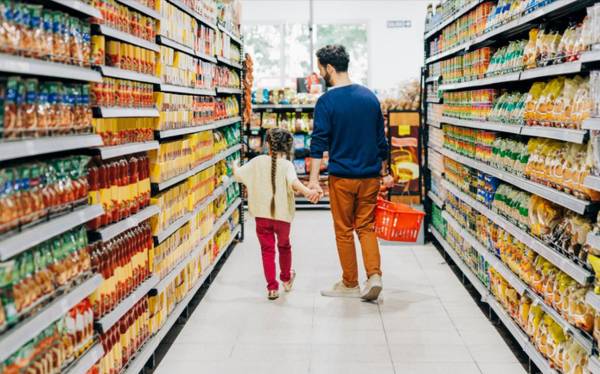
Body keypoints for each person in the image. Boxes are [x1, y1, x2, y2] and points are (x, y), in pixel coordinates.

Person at [308, 44, 394, 301]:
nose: (320, 73)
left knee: (344, 229)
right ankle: (374, 276)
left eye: (321, 68)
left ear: (330, 68)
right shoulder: (369, 97)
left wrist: (313, 181)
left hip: (342, 178)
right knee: (366, 227)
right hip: (369, 177)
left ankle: (350, 283)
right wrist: (385, 172)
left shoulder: (326, 102)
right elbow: (382, 142)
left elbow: (318, 143)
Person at [234, 128, 319, 300]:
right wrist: (307, 192)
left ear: (267, 144)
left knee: (267, 250)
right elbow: (294, 183)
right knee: (284, 246)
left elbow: (238, 176)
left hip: (261, 216)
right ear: (288, 148)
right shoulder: (287, 165)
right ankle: (286, 279)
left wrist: (235, 164)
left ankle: (272, 288)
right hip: (282, 217)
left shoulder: (257, 161)